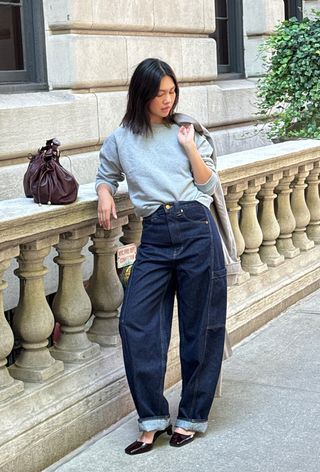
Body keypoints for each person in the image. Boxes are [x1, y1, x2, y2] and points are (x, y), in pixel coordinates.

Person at [96, 58, 228, 455]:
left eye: (172, 92)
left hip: (194, 226)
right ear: (142, 95)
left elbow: (209, 183)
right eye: (159, 94)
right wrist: (104, 193)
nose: (167, 100)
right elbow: (106, 175)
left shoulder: (187, 130)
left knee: (200, 325)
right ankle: (152, 418)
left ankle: (190, 417)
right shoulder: (121, 138)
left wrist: (189, 147)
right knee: (136, 323)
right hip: (153, 234)